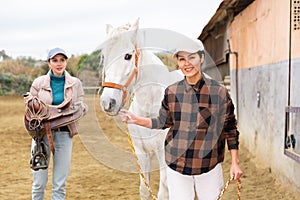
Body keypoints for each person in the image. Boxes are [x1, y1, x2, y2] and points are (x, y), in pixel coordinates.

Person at [119, 40, 243, 200]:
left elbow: (230, 129)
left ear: (202, 58)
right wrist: (136, 120)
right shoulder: (171, 91)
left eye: (192, 57)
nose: (187, 63)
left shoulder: (218, 92)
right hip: (177, 167)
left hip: (209, 166)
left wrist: (235, 162)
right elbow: (162, 122)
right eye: (182, 59)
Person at [24, 47, 88, 200]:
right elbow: (30, 107)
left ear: (66, 62)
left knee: (60, 183)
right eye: (55, 60)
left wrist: (74, 109)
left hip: (65, 134)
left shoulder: (75, 83)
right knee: (38, 183)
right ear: (49, 63)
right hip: (41, 136)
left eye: (62, 60)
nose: (59, 63)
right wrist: (31, 103)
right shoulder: (39, 83)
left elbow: (82, 106)